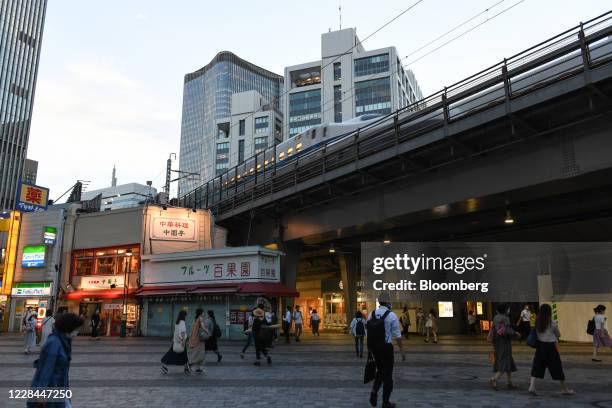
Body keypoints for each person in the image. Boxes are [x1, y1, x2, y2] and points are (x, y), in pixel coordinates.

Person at [30, 313, 83, 408]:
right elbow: (46, 368)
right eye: (75, 329)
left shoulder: (64, 341)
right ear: (69, 328)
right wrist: (41, 392)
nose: (76, 332)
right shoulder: (54, 343)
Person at [367, 293, 405, 408]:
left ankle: (374, 391)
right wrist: (402, 351)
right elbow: (397, 335)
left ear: (379, 302)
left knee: (380, 371)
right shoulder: (391, 315)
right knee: (388, 374)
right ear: (388, 301)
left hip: (374, 348)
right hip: (386, 348)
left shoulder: (371, 314)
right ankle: (385, 401)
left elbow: (368, 330)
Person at [528, 304, 574, 395]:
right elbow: (558, 335)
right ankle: (564, 389)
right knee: (557, 368)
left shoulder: (537, 322)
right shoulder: (552, 323)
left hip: (540, 347)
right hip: (550, 348)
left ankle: (532, 386)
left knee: (537, 366)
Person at [488, 303, 520, 390]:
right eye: (508, 309)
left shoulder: (495, 317)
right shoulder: (505, 318)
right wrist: (515, 333)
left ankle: (509, 382)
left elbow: (495, 329)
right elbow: (507, 330)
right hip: (504, 341)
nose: (509, 310)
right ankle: (494, 379)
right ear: (505, 310)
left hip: (497, 342)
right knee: (505, 361)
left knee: (507, 360)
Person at [161, 310, 190, 375]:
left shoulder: (177, 322)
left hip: (176, 342)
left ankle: (186, 368)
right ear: (184, 316)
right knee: (174, 354)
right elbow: (182, 332)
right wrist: (183, 341)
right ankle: (165, 365)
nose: (186, 317)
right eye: (186, 315)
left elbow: (176, 332)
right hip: (180, 342)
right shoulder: (182, 322)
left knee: (182, 355)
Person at [187, 308, 208, 374]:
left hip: (195, 338)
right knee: (199, 353)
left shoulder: (195, 319)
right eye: (203, 312)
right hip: (199, 339)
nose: (204, 313)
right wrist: (207, 331)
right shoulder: (200, 318)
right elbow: (203, 327)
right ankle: (190, 364)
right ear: (201, 313)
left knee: (198, 352)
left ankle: (198, 368)